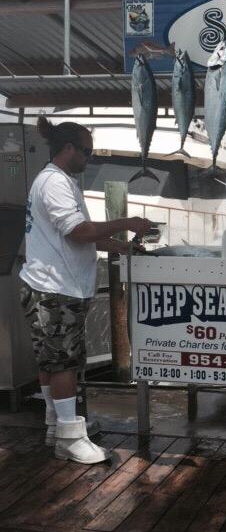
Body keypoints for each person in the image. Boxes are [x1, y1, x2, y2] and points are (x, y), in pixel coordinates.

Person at [20, 116, 152, 465]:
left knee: (51, 360)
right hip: (55, 287)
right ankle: (70, 437)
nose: (89, 158)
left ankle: (56, 424)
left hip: (51, 285)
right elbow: (78, 232)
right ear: (68, 148)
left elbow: (83, 235)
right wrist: (127, 222)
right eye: (87, 151)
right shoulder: (55, 184)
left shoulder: (60, 180)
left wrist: (122, 247)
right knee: (63, 362)